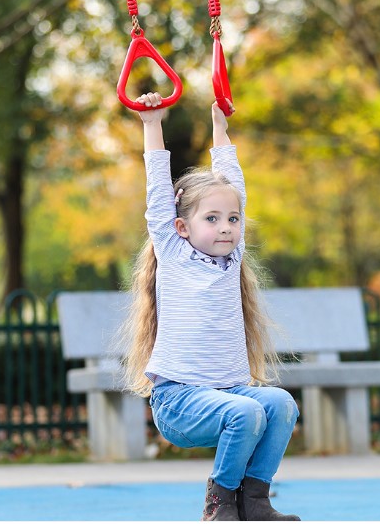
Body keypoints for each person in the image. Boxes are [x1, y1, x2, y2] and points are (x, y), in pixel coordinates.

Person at [122, 91, 300, 522]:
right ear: (181, 226)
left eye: (233, 219)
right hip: (180, 401)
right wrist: (152, 124)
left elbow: (233, 185)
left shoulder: (232, 258)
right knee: (246, 411)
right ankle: (219, 503)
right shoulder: (173, 250)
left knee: (280, 404)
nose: (226, 227)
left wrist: (221, 126)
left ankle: (254, 501)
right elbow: (158, 191)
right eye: (212, 219)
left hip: (228, 392)